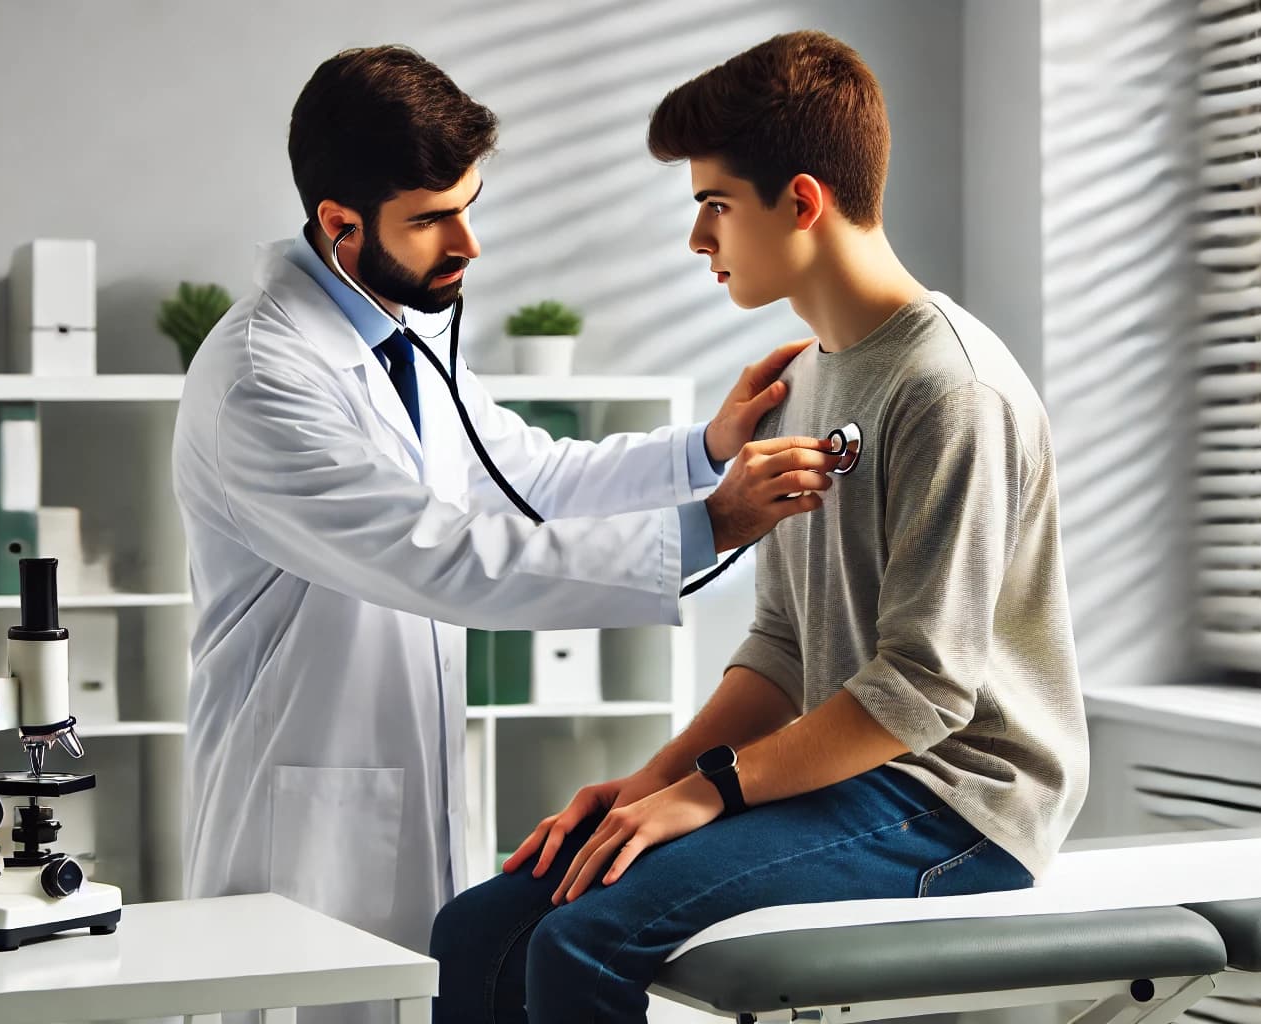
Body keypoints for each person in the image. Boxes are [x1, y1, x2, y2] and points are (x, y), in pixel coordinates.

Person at [430, 30, 1090, 1023]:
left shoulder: (952, 388)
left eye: (714, 205)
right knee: (480, 926)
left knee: (582, 940)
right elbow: (783, 643)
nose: (698, 240)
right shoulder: (800, 383)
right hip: (849, 772)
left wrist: (710, 791)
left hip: (958, 799)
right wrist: (653, 778)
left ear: (803, 200)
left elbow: (921, 690)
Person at [170, 45, 838, 1023]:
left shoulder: (397, 332)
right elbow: (446, 556)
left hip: (399, 782)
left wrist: (705, 447)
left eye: (468, 204)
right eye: (434, 218)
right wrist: (711, 525)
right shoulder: (263, 378)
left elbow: (525, 475)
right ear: (340, 226)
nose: (468, 242)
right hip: (299, 822)